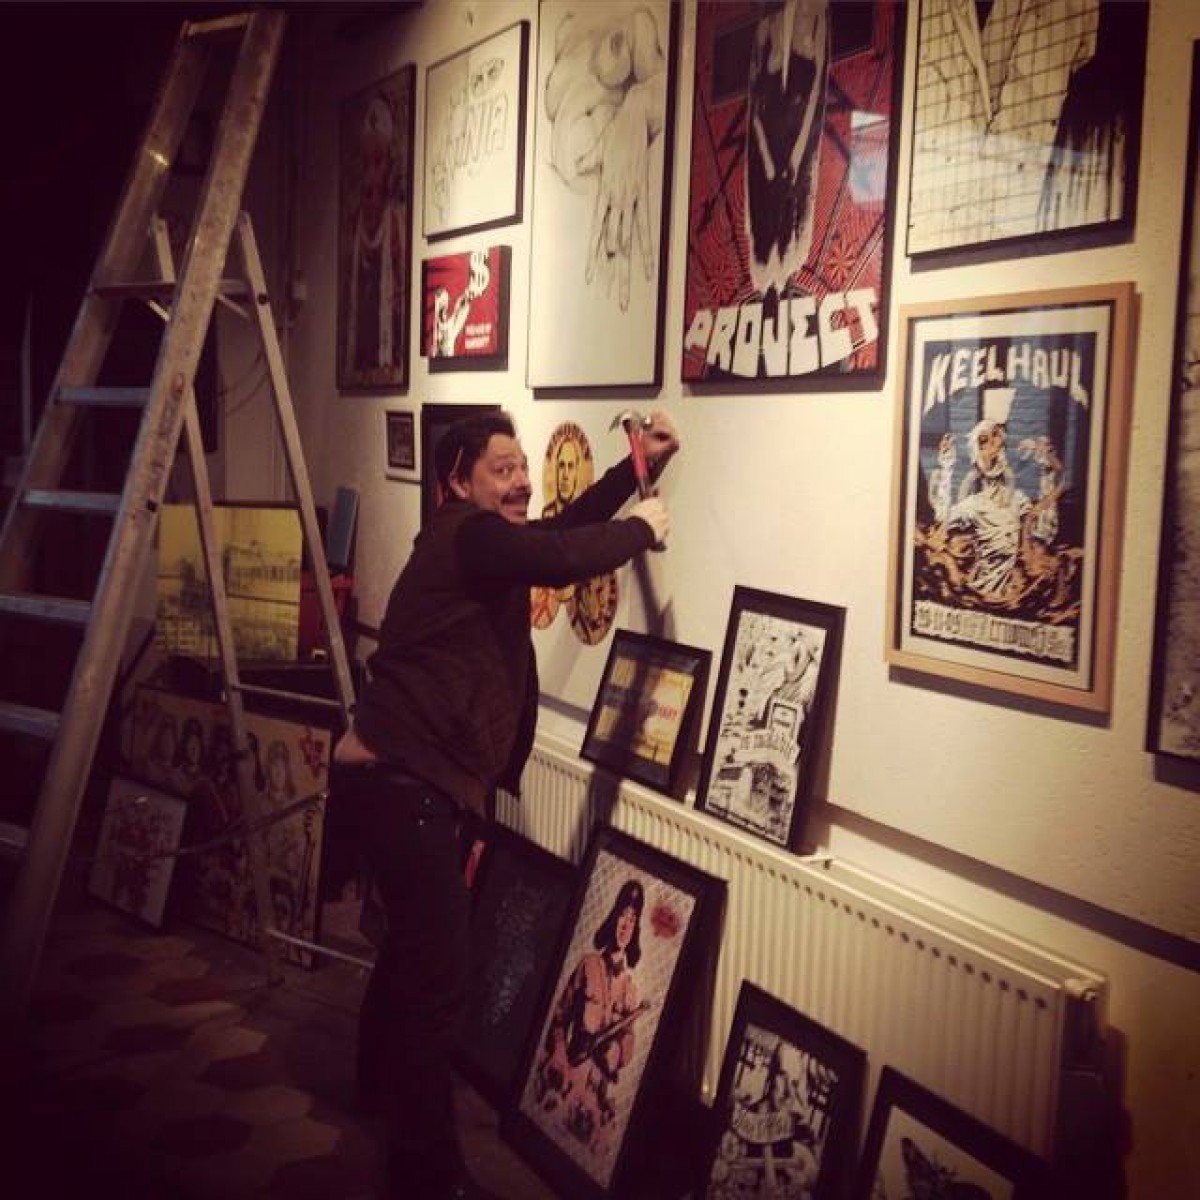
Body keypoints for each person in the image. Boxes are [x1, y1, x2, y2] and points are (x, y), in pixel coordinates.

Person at [330, 408, 678, 1200]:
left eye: (523, 466)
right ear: (458, 481)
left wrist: (636, 467)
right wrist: (641, 529)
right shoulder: (469, 536)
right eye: (501, 468)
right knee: (439, 983)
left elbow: (556, 532)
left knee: (413, 952)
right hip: (405, 787)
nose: (521, 480)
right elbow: (557, 558)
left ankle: (376, 1085)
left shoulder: (479, 541)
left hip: (404, 783)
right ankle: (424, 1173)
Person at [531, 878, 651, 1156]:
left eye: (632, 919)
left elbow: (625, 1056)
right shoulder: (588, 965)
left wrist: (619, 1046)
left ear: (636, 929)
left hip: (596, 1098)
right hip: (568, 1077)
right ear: (613, 918)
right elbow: (559, 1017)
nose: (625, 925)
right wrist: (559, 1052)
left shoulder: (631, 991)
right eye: (622, 915)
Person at [343, 90, 407, 381]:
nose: (370, 177)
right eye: (366, 164)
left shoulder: (395, 219)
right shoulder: (356, 223)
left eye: (378, 163)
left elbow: (401, 282)